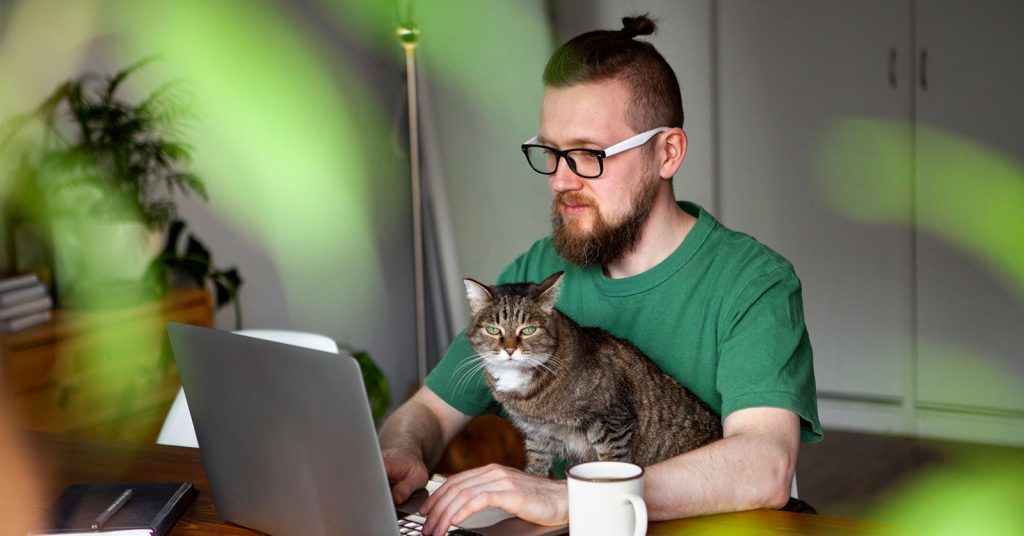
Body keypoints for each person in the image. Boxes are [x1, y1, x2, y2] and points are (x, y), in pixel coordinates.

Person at [378, 15, 821, 536]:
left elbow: (764, 466)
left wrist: (572, 497)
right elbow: (428, 412)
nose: (561, 180)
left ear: (667, 153)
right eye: (550, 152)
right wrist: (400, 453)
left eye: (587, 154)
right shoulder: (532, 274)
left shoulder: (753, 281)